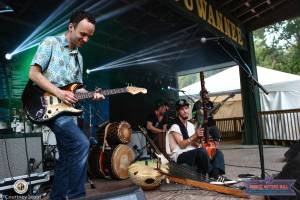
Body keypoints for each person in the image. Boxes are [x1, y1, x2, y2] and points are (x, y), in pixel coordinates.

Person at [28, 10, 104, 199]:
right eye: (83, 34)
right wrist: (59, 92)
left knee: (66, 157)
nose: (86, 39)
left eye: (89, 36)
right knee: (80, 143)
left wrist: (91, 94)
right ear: (71, 27)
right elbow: (34, 74)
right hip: (43, 104)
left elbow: (76, 89)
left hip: (65, 111)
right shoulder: (50, 42)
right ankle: (77, 196)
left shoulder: (79, 58)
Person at [166, 99, 236, 185]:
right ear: (178, 112)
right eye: (182, 109)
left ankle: (217, 175)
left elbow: (193, 144)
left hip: (192, 152)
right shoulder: (175, 126)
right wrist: (195, 136)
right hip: (180, 155)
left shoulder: (190, 125)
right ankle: (215, 176)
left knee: (216, 152)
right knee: (201, 152)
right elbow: (181, 145)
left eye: (186, 108)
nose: (185, 111)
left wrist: (199, 140)